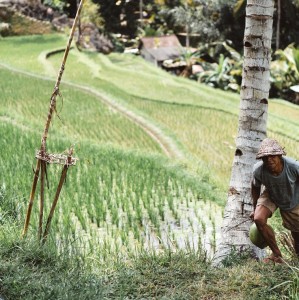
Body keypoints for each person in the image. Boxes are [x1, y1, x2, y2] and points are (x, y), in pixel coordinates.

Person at [250, 138, 299, 263]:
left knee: (297, 235)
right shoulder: (258, 170)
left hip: (292, 197)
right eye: (265, 158)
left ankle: (296, 259)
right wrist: (255, 208)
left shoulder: (293, 167)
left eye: (272, 156)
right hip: (271, 193)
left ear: (279, 156)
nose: (268, 160)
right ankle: (276, 254)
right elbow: (255, 187)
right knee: (258, 218)